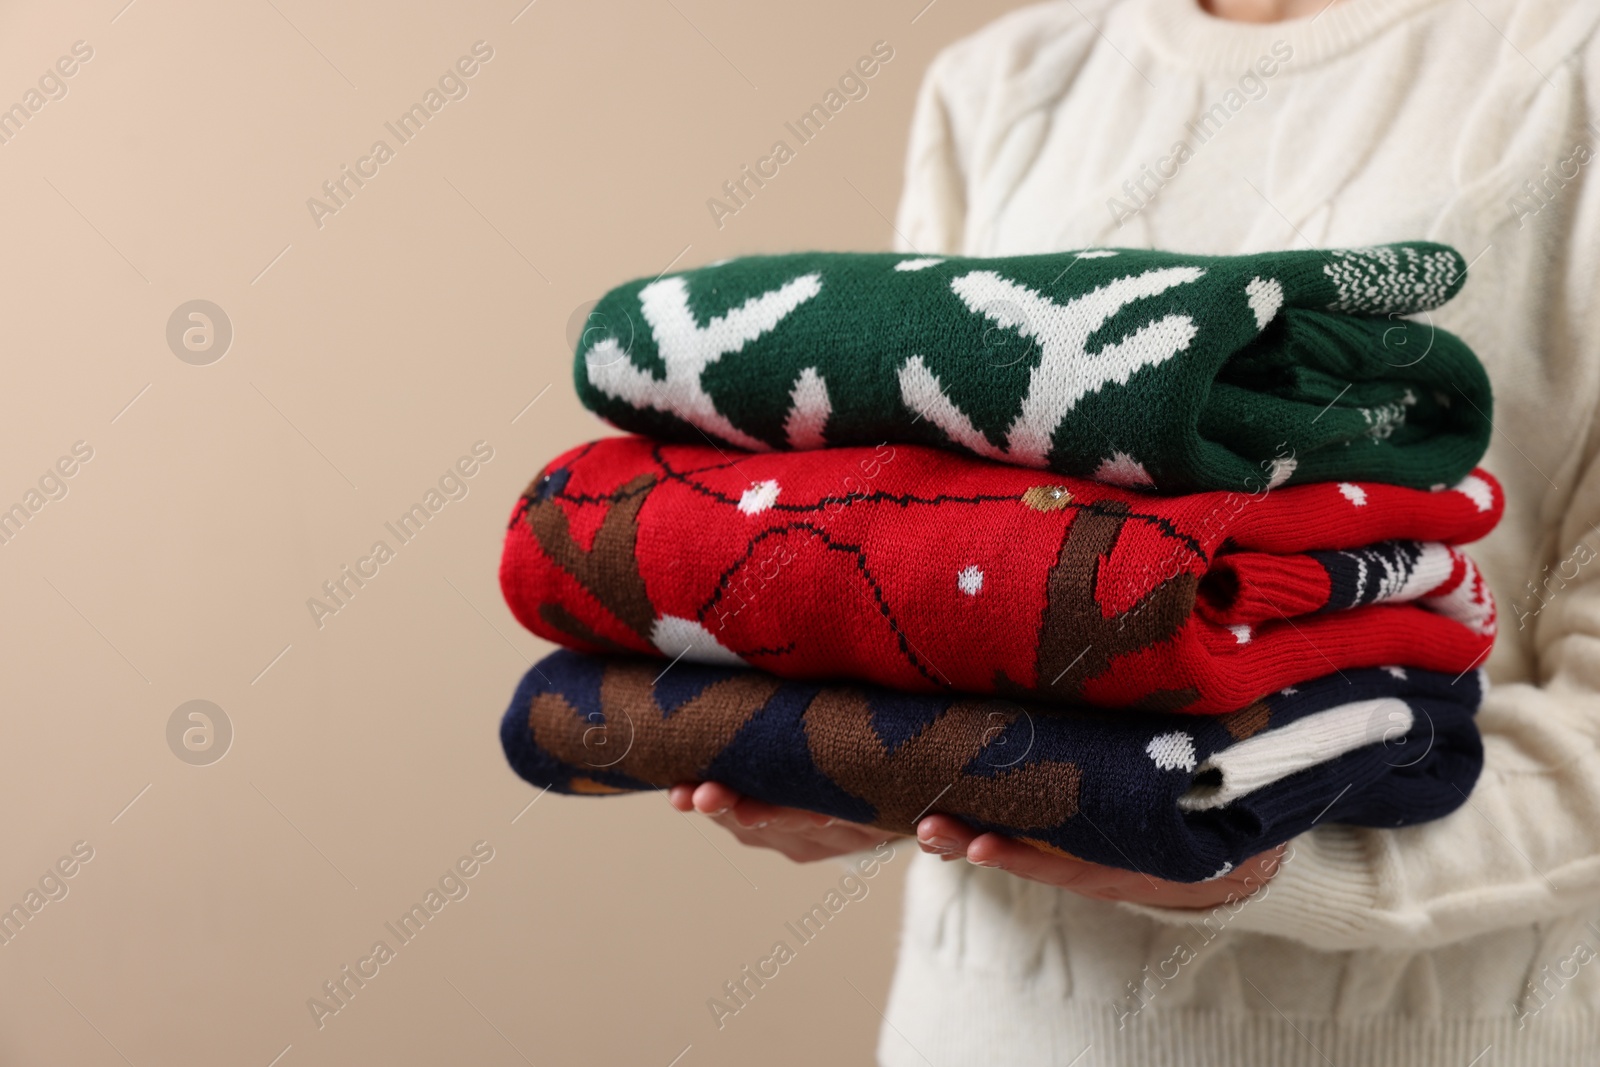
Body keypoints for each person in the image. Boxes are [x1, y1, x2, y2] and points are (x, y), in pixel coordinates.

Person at [670, 0, 1600, 1061]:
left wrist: (1250, 839)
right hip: (982, 1027)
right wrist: (836, 757)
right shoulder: (1004, 79)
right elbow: (909, 544)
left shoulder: (1567, 67)